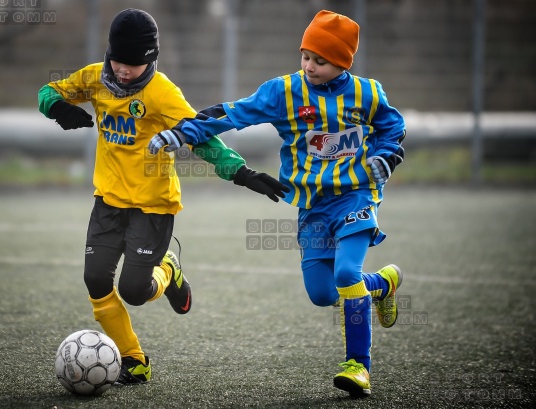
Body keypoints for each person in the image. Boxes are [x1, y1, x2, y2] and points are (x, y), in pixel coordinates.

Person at [148, 10, 406, 398]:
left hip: (356, 196)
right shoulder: (283, 92)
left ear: (343, 62)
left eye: (321, 60)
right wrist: (181, 133)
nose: (310, 66)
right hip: (313, 207)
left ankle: (358, 367)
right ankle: (382, 284)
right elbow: (229, 114)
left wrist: (385, 157)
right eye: (306, 56)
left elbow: (393, 127)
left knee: (345, 273)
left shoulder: (368, 93)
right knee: (322, 294)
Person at [38, 8, 288, 385]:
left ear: (151, 60)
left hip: (153, 208)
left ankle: (169, 270)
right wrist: (57, 108)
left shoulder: (163, 93)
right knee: (95, 281)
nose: (123, 70)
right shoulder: (94, 78)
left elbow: (200, 134)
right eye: (118, 60)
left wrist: (241, 172)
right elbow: (48, 91)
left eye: (133, 64)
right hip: (107, 201)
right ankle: (134, 360)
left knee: (134, 292)